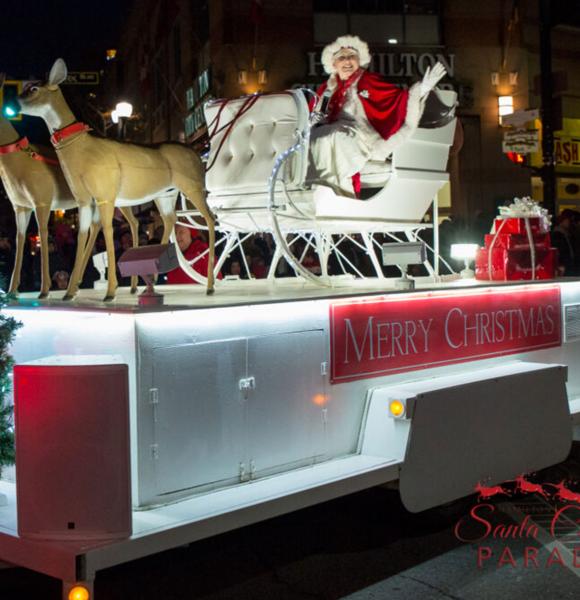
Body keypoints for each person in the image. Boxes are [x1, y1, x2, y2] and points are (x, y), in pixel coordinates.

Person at [308, 35, 447, 197]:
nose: (347, 61)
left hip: (361, 135)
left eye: (351, 56)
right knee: (315, 137)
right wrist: (314, 121)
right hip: (332, 130)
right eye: (342, 58)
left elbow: (398, 99)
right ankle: (316, 188)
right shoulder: (328, 89)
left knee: (338, 137)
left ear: (359, 60)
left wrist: (423, 88)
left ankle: (342, 192)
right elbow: (317, 114)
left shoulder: (368, 81)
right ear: (334, 64)